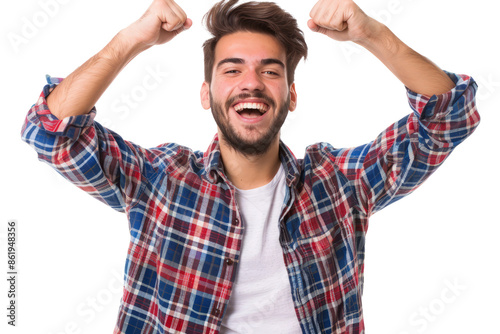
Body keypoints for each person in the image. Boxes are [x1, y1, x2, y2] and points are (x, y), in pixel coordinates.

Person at [21, 0, 480, 333]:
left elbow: (447, 120)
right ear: (207, 94)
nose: (251, 84)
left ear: (291, 96)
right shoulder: (161, 180)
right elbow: (52, 131)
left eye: (271, 71)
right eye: (232, 69)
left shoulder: (340, 184)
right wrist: (132, 39)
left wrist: (371, 33)